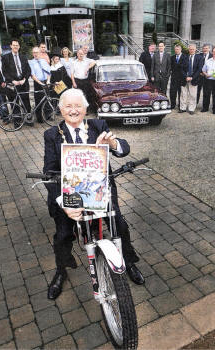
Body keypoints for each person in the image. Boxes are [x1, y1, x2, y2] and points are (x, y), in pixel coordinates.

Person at [43, 88, 145, 300]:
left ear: (85, 108)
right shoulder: (52, 135)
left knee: (120, 224)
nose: (73, 110)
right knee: (63, 234)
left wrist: (113, 144)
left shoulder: (98, 126)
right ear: (61, 109)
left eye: (78, 106)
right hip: (69, 195)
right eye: (68, 106)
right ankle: (61, 270)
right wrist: (65, 204)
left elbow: (123, 149)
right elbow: (49, 172)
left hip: (100, 192)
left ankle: (129, 261)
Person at [2, 39, 31, 116]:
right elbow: (4, 72)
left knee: (26, 102)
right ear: (11, 46)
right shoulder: (5, 57)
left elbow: (28, 70)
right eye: (14, 45)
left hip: (23, 84)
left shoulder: (24, 57)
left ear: (19, 46)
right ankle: (17, 121)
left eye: (17, 45)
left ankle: (28, 119)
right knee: (14, 103)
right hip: (12, 84)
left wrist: (25, 79)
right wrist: (12, 80)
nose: (15, 47)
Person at [29, 47, 51, 123]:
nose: (35, 54)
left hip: (45, 82)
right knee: (38, 101)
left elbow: (48, 72)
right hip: (38, 83)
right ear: (32, 54)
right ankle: (39, 118)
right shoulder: (31, 62)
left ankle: (48, 116)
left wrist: (48, 80)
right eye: (34, 52)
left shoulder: (44, 61)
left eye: (37, 52)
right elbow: (33, 75)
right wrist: (40, 83)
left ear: (40, 53)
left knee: (47, 99)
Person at [179, 44, 203, 114]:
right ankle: (182, 108)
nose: (191, 50)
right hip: (184, 79)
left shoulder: (199, 58)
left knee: (193, 95)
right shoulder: (185, 57)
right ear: (188, 50)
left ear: (195, 49)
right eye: (190, 49)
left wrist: (192, 77)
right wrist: (185, 77)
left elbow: (199, 69)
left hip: (194, 79)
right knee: (183, 94)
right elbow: (181, 68)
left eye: (192, 49)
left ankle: (191, 109)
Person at [170, 44, 186, 109]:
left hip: (181, 78)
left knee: (180, 93)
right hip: (173, 78)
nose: (176, 51)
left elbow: (185, 67)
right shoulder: (172, 57)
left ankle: (180, 105)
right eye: (175, 49)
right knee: (172, 92)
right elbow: (170, 67)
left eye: (178, 49)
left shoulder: (185, 57)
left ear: (181, 49)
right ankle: (173, 104)